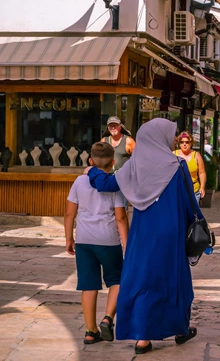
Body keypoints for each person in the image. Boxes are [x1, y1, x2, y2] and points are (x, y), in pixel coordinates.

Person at [87, 118, 203, 355]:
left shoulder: (135, 165)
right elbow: (189, 203)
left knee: (143, 280)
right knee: (173, 279)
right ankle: (180, 329)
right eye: (170, 135)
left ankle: (142, 338)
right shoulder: (178, 166)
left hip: (142, 236)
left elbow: (108, 184)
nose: (173, 140)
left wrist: (92, 172)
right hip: (171, 233)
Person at [64, 142, 129, 345]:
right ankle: (108, 318)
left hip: (84, 240)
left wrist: (68, 238)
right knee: (117, 280)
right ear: (113, 162)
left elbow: (69, 213)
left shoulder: (79, 182)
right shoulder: (114, 185)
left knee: (88, 285)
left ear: (90, 161)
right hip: (108, 240)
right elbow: (120, 218)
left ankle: (91, 331)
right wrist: (127, 245)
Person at [173, 131, 206, 201]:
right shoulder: (173, 155)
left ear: (191, 143)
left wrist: (202, 187)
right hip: (178, 191)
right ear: (179, 143)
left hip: (193, 191)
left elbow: (202, 172)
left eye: (187, 142)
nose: (184, 144)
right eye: (182, 142)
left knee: (193, 212)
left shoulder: (196, 155)